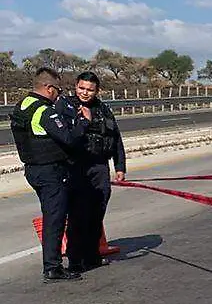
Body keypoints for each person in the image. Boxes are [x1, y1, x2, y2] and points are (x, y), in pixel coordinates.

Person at [9, 68, 91, 282]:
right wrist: (83, 122)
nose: (58, 94)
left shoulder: (22, 105)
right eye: (57, 90)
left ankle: (52, 264)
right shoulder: (45, 111)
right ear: (48, 88)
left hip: (33, 169)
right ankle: (52, 267)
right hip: (50, 171)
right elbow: (69, 138)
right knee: (55, 218)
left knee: (51, 215)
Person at [58, 71, 126, 273]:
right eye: (82, 88)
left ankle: (92, 256)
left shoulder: (103, 109)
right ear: (75, 86)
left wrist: (120, 166)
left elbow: (116, 139)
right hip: (76, 167)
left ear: (97, 91)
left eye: (90, 89)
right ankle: (75, 260)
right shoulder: (65, 106)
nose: (85, 93)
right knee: (78, 215)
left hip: (99, 167)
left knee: (97, 213)